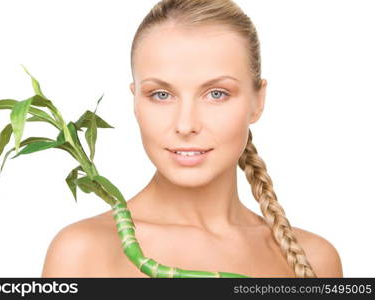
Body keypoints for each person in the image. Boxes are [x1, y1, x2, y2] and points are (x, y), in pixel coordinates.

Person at [41, 0, 343, 278]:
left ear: (257, 101)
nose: (185, 125)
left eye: (216, 94)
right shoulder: (81, 254)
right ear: (135, 102)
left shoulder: (317, 259)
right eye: (161, 95)